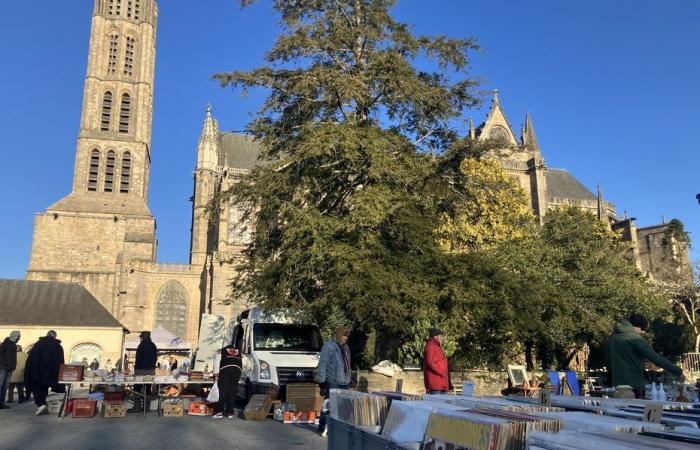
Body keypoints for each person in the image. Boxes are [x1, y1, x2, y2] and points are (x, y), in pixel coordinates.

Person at [608, 314, 685, 399]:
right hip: (634, 385)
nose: (643, 332)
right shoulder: (635, 338)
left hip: (617, 386)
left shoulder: (612, 338)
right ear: (636, 326)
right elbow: (655, 358)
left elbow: (608, 359)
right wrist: (677, 371)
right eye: (643, 329)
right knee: (637, 410)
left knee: (621, 411)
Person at [317, 325, 352, 435]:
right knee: (329, 404)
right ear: (338, 335)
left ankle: (337, 428)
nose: (346, 338)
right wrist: (322, 381)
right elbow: (322, 363)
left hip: (344, 381)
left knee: (342, 406)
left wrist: (349, 378)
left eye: (347, 336)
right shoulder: (328, 346)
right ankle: (323, 426)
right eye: (344, 336)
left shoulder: (346, 347)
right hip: (332, 380)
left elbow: (347, 364)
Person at [24, 330, 64, 415]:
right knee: (45, 387)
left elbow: (32, 358)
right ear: (54, 336)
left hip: (38, 371)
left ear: (46, 335)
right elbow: (61, 361)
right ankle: (42, 403)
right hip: (51, 372)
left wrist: (30, 370)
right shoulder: (58, 346)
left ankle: (40, 404)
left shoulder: (39, 344)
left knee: (38, 387)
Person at [130, 331, 158, 412]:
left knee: (137, 388)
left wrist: (136, 368)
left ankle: (137, 407)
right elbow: (155, 358)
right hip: (151, 370)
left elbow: (138, 359)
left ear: (143, 337)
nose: (140, 338)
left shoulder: (141, 345)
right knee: (148, 388)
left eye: (141, 337)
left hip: (140, 370)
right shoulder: (153, 345)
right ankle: (146, 408)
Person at [213, 344, 242, 419]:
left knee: (223, 390)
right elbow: (246, 362)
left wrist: (216, 375)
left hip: (225, 369)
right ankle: (230, 412)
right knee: (232, 391)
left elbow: (216, 363)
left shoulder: (221, 352)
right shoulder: (239, 352)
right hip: (237, 370)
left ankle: (220, 412)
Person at [423, 328, 452, 395]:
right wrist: (442, 371)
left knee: (443, 405)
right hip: (436, 384)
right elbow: (430, 363)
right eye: (441, 336)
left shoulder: (436, 346)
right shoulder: (430, 346)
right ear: (435, 337)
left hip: (441, 383)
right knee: (436, 404)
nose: (442, 338)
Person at [0, 331, 21, 409]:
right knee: (1, 385)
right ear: (15, 336)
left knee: (5, 386)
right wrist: (5, 364)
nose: (19, 338)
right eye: (19, 336)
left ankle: (2, 403)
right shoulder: (5, 344)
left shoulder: (13, 345)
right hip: (3, 368)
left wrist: (13, 365)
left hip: (9, 369)